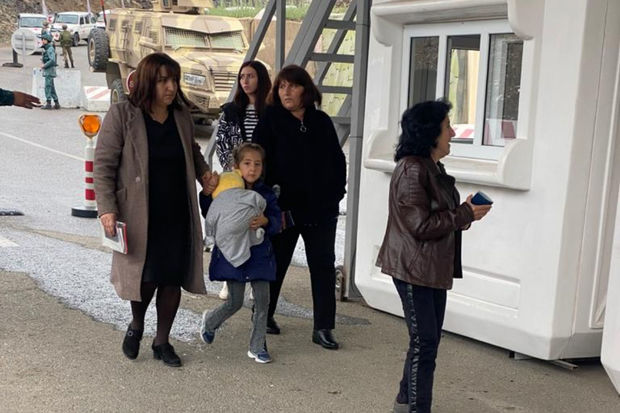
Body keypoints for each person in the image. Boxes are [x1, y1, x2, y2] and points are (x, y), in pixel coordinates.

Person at [94, 52, 218, 368]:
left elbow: (193, 151)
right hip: (139, 211)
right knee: (145, 276)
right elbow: (104, 165)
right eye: (163, 80)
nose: (170, 87)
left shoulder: (181, 116)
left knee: (172, 277)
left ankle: (162, 341)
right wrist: (106, 208)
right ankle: (137, 324)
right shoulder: (122, 114)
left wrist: (204, 174)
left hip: (176, 209)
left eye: (173, 80)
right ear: (149, 81)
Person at [375, 100, 492, 413]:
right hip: (414, 268)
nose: (452, 133)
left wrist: (465, 214)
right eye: (447, 127)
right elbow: (420, 225)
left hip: (431, 268)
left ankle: (405, 401)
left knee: (426, 341)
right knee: (425, 343)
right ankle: (417, 407)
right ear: (430, 133)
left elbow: (438, 216)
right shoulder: (413, 169)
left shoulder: (431, 166)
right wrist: (464, 213)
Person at [253, 65, 346, 349]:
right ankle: (264, 315)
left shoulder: (321, 121)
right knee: (276, 263)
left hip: (321, 210)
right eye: (281, 86)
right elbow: (257, 163)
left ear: (306, 90)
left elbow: (337, 161)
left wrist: (335, 195)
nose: (286, 92)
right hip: (283, 209)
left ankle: (323, 327)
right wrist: (267, 204)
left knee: (323, 267)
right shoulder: (270, 120)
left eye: (293, 86)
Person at [199, 143, 281, 364]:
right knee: (235, 301)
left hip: (260, 255)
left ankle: (257, 347)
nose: (252, 169)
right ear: (236, 166)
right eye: (247, 163)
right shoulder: (225, 189)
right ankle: (210, 322)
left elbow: (276, 220)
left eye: (257, 164)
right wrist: (206, 193)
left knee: (263, 302)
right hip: (233, 255)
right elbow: (209, 211)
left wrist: (266, 221)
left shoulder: (266, 193)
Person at [214, 60, 271, 300]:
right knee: (233, 227)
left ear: (261, 79)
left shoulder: (270, 110)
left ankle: (255, 280)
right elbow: (222, 142)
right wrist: (235, 169)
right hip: (236, 179)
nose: (245, 81)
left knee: (257, 228)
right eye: (242, 77)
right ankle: (230, 280)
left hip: (262, 176)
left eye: (250, 76)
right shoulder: (231, 110)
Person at [40, 33, 59, 110]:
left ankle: (48, 103)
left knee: (48, 87)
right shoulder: (47, 48)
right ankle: (56, 103)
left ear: (47, 40)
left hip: (49, 70)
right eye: (42, 39)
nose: (42, 41)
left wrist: (44, 65)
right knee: (51, 87)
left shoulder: (50, 48)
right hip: (49, 69)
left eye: (44, 40)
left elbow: (52, 60)